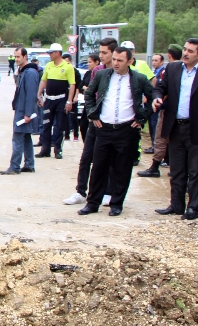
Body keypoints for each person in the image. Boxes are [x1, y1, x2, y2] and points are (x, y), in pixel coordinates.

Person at [78, 46, 153, 216]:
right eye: (114, 60)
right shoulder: (102, 75)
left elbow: (152, 96)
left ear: (130, 61)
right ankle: (92, 203)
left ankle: (116, 203)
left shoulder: (139, 79)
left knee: (122, 168)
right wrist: (92, 114)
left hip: (126, 130)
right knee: (98, 167)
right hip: (103, 128)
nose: (116, 63)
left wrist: (141, 118)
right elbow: (90, 94)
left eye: (120, 60)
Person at [152, 38, 198, 220]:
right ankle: (176, 205)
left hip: (197, 129)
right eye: (185, 49)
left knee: (196, 170)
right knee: (176, 169)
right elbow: (160, 87)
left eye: (191, 51)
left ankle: (194, 207)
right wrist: (157, 98)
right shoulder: (173, 69)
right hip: (176, 126)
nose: (186, 53)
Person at [64, 37, 116, 206]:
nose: (101, 55)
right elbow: (90, 94)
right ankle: (80, 190)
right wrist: (93, 115)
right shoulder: (97, 71)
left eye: (104, 53)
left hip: (110, 123)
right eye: (100, 52)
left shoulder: (120, 74)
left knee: (108, 158)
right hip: (94, 118)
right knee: (87, 156)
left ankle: (108, 191)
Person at [137, 44, 182, 177]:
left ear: (169, 55)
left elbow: (163, 88)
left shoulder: (168, 70)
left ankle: (155, 166)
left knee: (161, 138)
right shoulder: (184, 70)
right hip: (180, 112)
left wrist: (159, 100)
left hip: (169, 110)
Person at [0, 48, 41, 174]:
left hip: (24, 111)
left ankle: (14, 166)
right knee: (26, 137)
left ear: (25, 56)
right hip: (22, 109)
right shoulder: (25, 71)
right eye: (15, 57)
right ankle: (29, 164)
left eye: (18, 57)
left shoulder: (30, 73)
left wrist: (28, 113)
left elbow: (31, 94)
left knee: (17, 137)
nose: (16, 59)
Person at [36, 43, 76, 159]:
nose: (49, 55)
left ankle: (58, 149)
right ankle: (45, 149)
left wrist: (69, 101)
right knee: (46, 125)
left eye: (51, 53)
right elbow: (44, 80)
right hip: (49, 99)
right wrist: (39, 94)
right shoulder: (48, 65)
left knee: (59, 126)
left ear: (57, 53)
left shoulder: (67, 67)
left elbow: (72, 85)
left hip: (61, 100)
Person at [144, 53, 165, 152]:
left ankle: (155, 147)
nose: (153, 62)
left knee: (155, 124)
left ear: (162, 62)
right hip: (151, 102)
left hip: (158, 103)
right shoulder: (154, 72)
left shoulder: (162, 72)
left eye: (156, 60)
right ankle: (153, 145)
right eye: (152, 60)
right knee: (152, 125)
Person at [63, 53, 82, 141]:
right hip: (64, 96)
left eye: (68, 62)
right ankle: (66, 135)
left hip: (73, 96)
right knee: (65, 117)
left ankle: (76, 135)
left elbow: (78, 85)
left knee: (74, 117)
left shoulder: (76, 72)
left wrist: (75, 96)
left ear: (71, 61)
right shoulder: (63, 71)